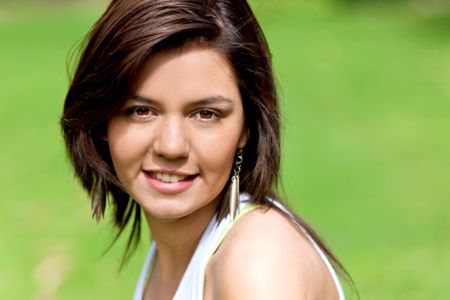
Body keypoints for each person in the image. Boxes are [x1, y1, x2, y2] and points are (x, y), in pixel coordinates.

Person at [61, 0, 352, 299]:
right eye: (142, 111)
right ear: (100, 119)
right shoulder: (175, 246)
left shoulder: (257, 264)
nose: (171, 146)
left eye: (205, 114)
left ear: (246, 127)